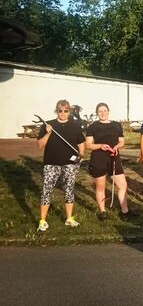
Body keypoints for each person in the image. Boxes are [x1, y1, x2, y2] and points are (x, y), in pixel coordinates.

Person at [36, 99, 86, 232]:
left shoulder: (75, 125)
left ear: (69, 111)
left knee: (69, 189)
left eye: (65, 111)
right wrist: (48, 133)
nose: (63, 113)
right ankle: (42, 221)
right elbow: (40, 144)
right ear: (56, 111)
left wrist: (80, 156)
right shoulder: (48, 125)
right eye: (60, 110)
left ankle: (69, 219)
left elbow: (81, 142)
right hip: (51, 164)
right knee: (47, 190)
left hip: (70, 164)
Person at [85, 103, 131, 221]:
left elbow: (122, 142)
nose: (103, 113)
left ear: (108, 111)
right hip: (98, 158)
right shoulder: (93, 126)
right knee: (101, 186)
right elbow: (88, 144)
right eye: (100, 111)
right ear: (97, 113)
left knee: (122, 185)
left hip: (113, 157)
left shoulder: (116, 125)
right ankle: (103, 211)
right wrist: (100, 146)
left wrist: (116, 147)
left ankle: (125, 211)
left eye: (105, 110)